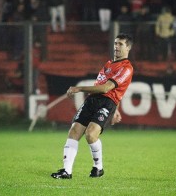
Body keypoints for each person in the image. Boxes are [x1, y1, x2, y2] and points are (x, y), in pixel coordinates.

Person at [51, 33, 134, 179]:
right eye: (115, 43)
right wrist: (118, 111)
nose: (116, 47)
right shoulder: (108, 64)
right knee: (74, 131)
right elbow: (116, 89)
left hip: (107, 102)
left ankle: (98, 168)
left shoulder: (126, 68)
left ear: (128, 48)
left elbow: (106, 88)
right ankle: (66, 171)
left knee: (91, 134)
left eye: (120, 44)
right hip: (92, 100)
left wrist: (79, 88)